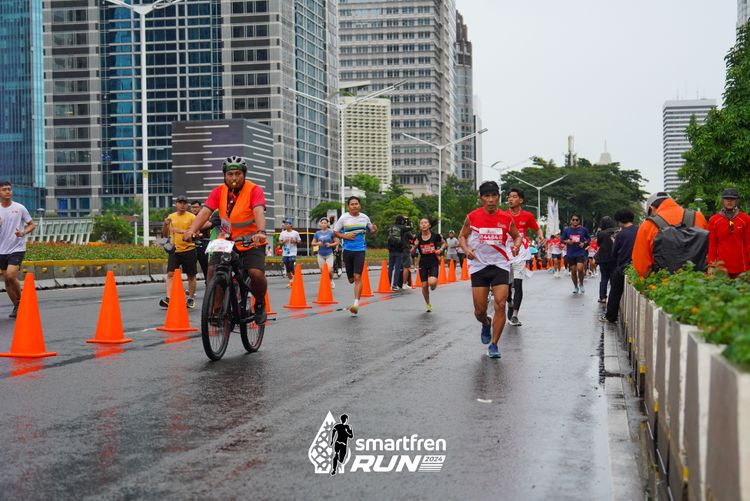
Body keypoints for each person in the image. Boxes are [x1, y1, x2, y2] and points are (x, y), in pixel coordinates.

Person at [185, 156, 268, 325]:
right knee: (213, 270)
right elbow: (205, 212)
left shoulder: (254, 190)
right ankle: (217, 310)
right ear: (224, 175)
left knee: (255, 273)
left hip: (251, 240)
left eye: (238, 174)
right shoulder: (218, 192)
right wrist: (192, 230)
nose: (234, 178)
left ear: (244, 174)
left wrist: (260, 232)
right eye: (230, 174)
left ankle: (259, 303)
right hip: (227, 240)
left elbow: (258, 211)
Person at [458, 181, 522, 359]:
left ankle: (494, 345)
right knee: (479, 311)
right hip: (479, 266)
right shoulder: (472, 217)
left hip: (500, 265)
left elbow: (517, 236)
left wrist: (516, 246)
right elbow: (462, 236)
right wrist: (466, 249)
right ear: (481, 198)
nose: (491, 200)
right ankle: (486, 323)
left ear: (498, 198)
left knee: (500, 304)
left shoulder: (506, 218)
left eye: (494, 196)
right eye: (487, 196)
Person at [632, 192, 708, 278]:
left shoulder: (648, 225)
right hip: (698, 281)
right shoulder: (698, 217)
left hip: (664, 282)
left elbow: (641, 265)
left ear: (651, 208)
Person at [505, 187, 544, 326]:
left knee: (518, 283)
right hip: (505, 252)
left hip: (521, 253)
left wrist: (541, 236)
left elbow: (537, 228)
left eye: (514, 196)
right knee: (506, 287)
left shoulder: (527, 216)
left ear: (521, 200)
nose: (511, 199)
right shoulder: (503, 215)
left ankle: (515, 315)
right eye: (509, 196)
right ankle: (509, 301)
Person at [333, 196, 377, 315]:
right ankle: (355, 295)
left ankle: (356, 303)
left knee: (357, 277)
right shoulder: (344, 218)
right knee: (351, 280)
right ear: (349, 206)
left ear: (359, 205)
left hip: (360, 250)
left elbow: (371, 230)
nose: (354, 206)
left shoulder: (364, 217)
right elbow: (335, 232)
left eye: (356, 204)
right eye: (352, 204)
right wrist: (345, 236)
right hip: (347, 251)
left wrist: (374, 229)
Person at [0, 181, 36, 318]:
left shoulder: (20, 208)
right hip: (2, 249)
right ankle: (17, 305)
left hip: (17, 247)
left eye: (9, 189)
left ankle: (23, 301)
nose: (8, 191)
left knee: (10, 275)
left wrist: (23, 232)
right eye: (4, 189)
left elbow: (32, 224)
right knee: (6, 280)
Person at [601, 209, 638, 323]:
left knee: (615, 291)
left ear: (620, 220)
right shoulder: (639, 230)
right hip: (636, 265)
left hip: (623, 266)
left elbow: (614, 252)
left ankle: (610, 316)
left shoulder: (621, 233)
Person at [161, 195, 198, 309]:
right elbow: (165, 234)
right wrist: (165, 224)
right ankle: (169, 298)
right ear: (176, 204)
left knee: (191, 275)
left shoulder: (192, 217)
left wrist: (179, 231)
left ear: (187, 205)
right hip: (175, 250)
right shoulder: (171, 217)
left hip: (189, 249)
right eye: (180, 203)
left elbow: (196, 233)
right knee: (170, 274)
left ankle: (191, 298)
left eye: (184, 203)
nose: (182, 205)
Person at [707, 188, 750, 278]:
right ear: (722, 201)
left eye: (732, 199)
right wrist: (711, 265)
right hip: (721, 267)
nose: (729, 201)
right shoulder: (714, 220)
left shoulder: (745, 219)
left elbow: (748, 243)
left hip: (742, 267)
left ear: (737, 201)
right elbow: (712, 244)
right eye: (727, 198)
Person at [412, 217, 444, 312]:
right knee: (424, 285)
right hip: (423, 262)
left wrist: (440, 250)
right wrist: (415, 246)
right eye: (421, 223)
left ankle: (434, 284)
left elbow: (444, 243)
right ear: (420, 226)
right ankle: (428, 304)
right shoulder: (417, 237)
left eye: (425, 223)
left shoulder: (435, 236)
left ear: (429, 225)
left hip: (433, 261)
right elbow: (412, 252)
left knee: (432, 283)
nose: (423, 224)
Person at [561, 214, 590, 294]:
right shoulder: (567, 230)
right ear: (571, 220)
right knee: (573, 271)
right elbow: (562, 240)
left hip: (580, 252)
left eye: (577, 220)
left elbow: (588, 239)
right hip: (571, 253)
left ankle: (581, 284)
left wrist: (584, 243)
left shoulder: (583, 229)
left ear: (579, 221)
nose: (575, 221)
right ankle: (576, 287)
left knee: (580, 269)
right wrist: (567, 241)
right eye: (573, 219)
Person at [595, 216, 618, 304]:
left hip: (603, 258)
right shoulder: (615, 232)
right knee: (613, 278)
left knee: (604, 278)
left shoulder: (601, 233)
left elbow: (598, 244)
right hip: (613, 258)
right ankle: (612, 297)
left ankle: (603, 297)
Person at [312, 217, 339, 288]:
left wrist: (330, 245)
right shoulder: (317, 233)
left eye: (325, 223)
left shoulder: (331, 232)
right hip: (320, 254)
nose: (323, 224)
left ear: (327, 224)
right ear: (320, 224)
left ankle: (331, 280)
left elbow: (337, 242)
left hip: (329, 254)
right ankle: (325, 283)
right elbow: (312, 243)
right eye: (322, 223)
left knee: (329, 270)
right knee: (323, 271)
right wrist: (317, 243)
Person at [387, 215, 411, 290]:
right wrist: (408, 221)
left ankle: (387, 283)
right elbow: (411, 227)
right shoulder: (402, 228)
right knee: (397, 268)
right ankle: (395, 285)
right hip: (399, 250)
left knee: (390, 268)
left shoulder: (391, 227)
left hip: (391, 250)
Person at [191, 200, 212, 281]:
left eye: (196, 207)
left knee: (205, 266)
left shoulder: (204, 217)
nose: (194, 209)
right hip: (191, 244)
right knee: (191, 268)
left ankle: (208, 282)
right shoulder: (189, 217)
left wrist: (194, 227)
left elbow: (208, 225)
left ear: (200, 208)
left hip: (203, 243)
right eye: (193, 207)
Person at [279, 219, 301, 288]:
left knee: (291, 264)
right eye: (285, 224)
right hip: (285, 252)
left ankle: (295, 278)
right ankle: (291, 280)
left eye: (287, 224)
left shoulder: (295, 233)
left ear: (291, 225)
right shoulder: (282, 233)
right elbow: (280, 243)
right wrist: (284, 241)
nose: (286, 225)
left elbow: (299, 241)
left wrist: (294, 241)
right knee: (287, 267)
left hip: (293, 252)